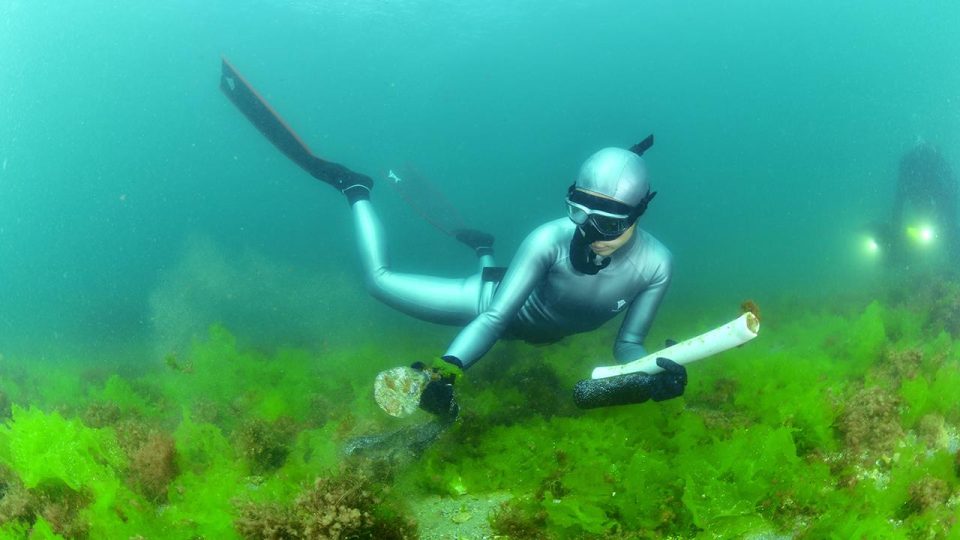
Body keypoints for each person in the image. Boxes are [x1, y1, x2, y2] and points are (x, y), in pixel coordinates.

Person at [220, 59, 687, 420]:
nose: (586, 232)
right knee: (379, 282)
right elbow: (496, 316)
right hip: (487, 300)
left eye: (604, 223)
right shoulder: (548, 239)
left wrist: (652, 370)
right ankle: (353, 187)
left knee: (492, 276)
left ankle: (482, 247)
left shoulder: (656, 265)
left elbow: (628, 346)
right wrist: (449, 368)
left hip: (533, 316)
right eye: (578, 213)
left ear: (639, 213)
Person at [869, 141, 959, 269]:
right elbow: (898, 205)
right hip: (931, 205)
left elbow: (948, 196)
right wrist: (895, 230)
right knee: (932, 230)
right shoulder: (908, 176)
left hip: (940, 202)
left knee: (948, 231)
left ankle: (952, 259)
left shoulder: (931, 173)